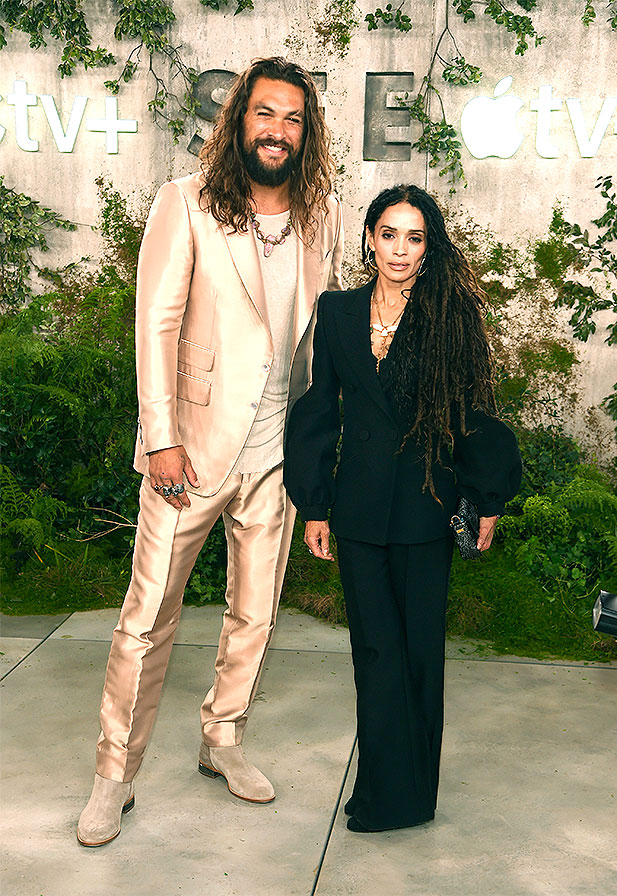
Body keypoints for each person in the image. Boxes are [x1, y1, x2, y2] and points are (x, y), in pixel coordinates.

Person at [77, 57, 343, 847]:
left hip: (277, 457)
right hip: (188, 454)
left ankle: (221, 739)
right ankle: (113, 776)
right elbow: (155, 324)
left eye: (294, 118)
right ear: (239, 121)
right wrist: (159, 438)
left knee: (255, 615)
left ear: (307, 132)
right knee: (146, 616)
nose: (279, 131)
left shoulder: (317, 215)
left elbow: (313, 335)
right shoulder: (184, 204)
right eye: (266, 114)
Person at [283, 184, 521, 833]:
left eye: (414, 237)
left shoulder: (450, 316)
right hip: (358, 513)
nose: (400, 249)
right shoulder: (335, 313)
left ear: (428, 246)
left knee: (417, 656)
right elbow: (314, 413)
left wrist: (487, 500)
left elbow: (472, 411)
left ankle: (407, 796)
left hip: (425, 507)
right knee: (375, 655)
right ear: (368, 237)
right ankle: (385, 788)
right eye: (389, 233)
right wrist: (315, 505)